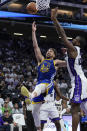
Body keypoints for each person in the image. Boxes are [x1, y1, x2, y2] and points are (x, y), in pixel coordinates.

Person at [21, 21, 66, 130]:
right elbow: (35, 46)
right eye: (48, 50)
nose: (49, 52)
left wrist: (67, 54)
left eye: (51, 51)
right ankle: (39, 129)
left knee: (41, 86)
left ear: (54, 55)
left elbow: (67, 64)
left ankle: (30, 95)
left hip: (48, 86)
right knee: (35, 111)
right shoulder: (41, 60)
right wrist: (33, 32)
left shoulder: (55, 62)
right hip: (40, 89)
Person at [51, 8, 87, 131]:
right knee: (82, 108)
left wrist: (54, 19)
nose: (73, 39)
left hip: (78, 81)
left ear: (78, 43)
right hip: (80, 80)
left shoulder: (73, 49)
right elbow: (64, 64)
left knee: (74, 109)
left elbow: (62, 35)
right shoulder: (74, 53)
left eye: (75, 39)